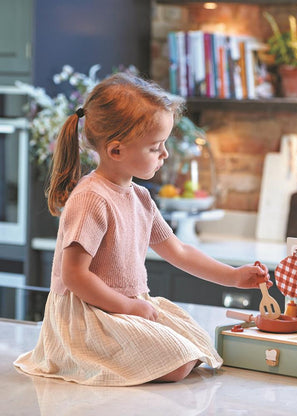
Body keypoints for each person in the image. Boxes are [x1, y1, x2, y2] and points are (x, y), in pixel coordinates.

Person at [14, 73, 271, 386]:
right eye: (155, 147)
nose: (164, 154)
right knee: (178, 364)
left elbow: (177, 250)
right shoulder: (91, 198)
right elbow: (74, 276)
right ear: (116, 150)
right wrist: (128, 306)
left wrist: (232, 276)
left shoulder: (140, 197)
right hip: (89, 314)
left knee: (194, 349)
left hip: (126, 306)